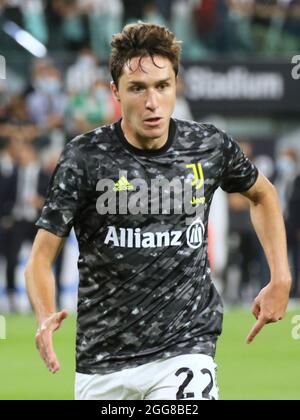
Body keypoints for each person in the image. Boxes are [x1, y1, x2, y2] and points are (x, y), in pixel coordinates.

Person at [25, 22, 291, 401]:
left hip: (186, 349)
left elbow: (263, 195)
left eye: (162, 86)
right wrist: (43, 315)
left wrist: (280, 276)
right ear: (115, 91)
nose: (152, 102)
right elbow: (41, 256)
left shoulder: (208, 145)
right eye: (137, 88)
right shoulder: (84, 158)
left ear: (175, 86)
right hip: (102, 361)